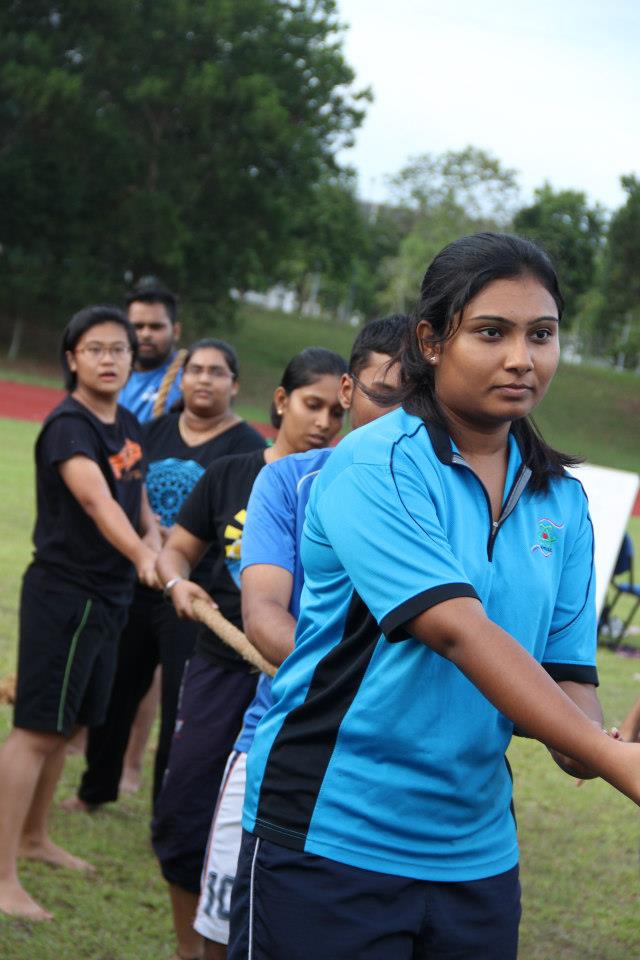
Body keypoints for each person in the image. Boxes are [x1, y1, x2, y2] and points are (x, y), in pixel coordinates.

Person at [228, 233, 640, 960]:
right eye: (492, 332)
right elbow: (456, 630)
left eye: (542, 335)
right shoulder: (374, 463)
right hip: (329, 833)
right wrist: (614, 764)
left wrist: (604, 746)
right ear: (431, 341)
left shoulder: (562, 502)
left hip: (476, 857)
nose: (522, 358)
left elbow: (567, 686)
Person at [194, 315, 409, 959]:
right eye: (383, 396)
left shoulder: (451, 495)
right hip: (284, 740)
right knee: (228, 935)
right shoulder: (289, 482)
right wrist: (370, 685)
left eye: (417, 401)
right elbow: (263, 617)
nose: (400, 419)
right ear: (348, 389)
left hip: (398, 773)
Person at [154, 347, 348, 960]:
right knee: (186, 807)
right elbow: (176, 550)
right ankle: (190, 946)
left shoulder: (342, 488)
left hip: (298, 681)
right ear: (281, 401)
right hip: (222, 664)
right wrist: (176, 580)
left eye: (335, 412)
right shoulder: (231, 473)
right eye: (311, 405)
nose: (323, 422)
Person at [0, 305, 160, 922]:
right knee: (36, 730)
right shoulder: (69, 426)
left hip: (109, 597)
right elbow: (98, 503)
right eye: (95, 349)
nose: (109, 359)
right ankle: (3, 875)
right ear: (72, 359)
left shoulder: (127, 422)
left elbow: (136, 502)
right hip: (66, 595)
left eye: (118, 348)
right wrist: (142, 557)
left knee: (65, 728)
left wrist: (156, 542)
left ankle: (34, 838)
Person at [63, 339, 264, 812]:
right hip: (139, 584)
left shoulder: (249, 449)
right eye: (195, 370)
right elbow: (121, 495)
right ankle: (96, 789)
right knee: (116, 689)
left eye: (216, 372)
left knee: (181, 706)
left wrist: (183, 542)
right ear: (182, 379)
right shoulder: (149, 432)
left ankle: (166, 809)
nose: (204, 379)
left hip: (200, 597)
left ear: (234, 384)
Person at [119, 283, 183, 422]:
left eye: (156, 327)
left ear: (176, 332)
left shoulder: (190, 379)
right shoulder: (108, 376)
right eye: (138, 326)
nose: (146, 334)